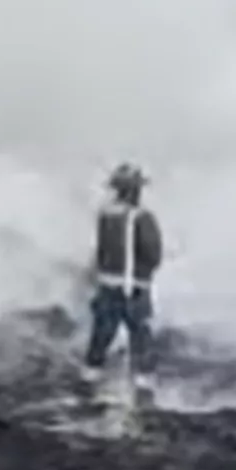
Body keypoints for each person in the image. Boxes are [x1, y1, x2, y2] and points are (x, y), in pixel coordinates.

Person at [82, 162, 164, 400]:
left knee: (101, 337)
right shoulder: (143, 217)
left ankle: (88, 382)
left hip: (107, 287)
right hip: (135, 289)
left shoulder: (105, 215)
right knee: (141, 338)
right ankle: (143, 390)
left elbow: (100, 253)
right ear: (135, 190)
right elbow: (152, 254)